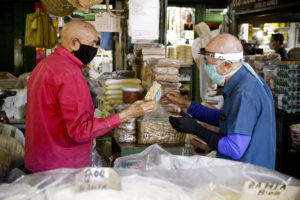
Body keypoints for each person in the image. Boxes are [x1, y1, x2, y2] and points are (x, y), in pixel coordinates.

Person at [25, 20, 156, 172]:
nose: (94, 49)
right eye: (92, 44)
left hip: (39, 160)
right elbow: (81, 131)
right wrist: (128, 113)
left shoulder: (44, 65)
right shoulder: (69, 73)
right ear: (74, 43)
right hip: (61, 167)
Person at [162, 33, 276, 169]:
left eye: (209, 64)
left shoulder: (244, 93)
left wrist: (195, 129)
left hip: (247, 175)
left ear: (227, 65)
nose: (206, 68)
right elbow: (228, 119)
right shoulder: (244, 77)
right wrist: (186, 104)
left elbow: (234, 148)